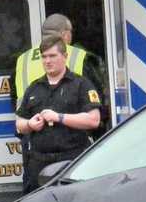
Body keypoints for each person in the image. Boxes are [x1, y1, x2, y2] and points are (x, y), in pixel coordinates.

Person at [15, 35, 101, 193]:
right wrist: (30, 124)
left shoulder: (80, 85)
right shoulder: (34, 88)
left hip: (71, 161)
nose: (47, 61)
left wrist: (59, 117)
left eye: (52, 56)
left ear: (65, 56)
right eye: (44, 57)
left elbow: (94, 120)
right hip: (38, 163)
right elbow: (19, 123)